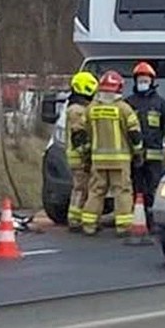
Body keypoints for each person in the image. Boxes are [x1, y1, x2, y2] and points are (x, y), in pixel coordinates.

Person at [80, 70, 144, 236]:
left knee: (95, 191)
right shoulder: (124, 109)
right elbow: (134, 134)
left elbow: (80, 133)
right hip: (120, 160)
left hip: (97, 160)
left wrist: (85, 154)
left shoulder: (91, 109)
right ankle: (123, 227)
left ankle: (89, 224)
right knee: (122, 191)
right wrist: (138, 153)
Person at [125, 61, 165, 232]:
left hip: (154, 156)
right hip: (134, 155)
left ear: (152, 81)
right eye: (140, 79)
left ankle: (154, 220)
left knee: (153, 188)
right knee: (135, 187)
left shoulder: (161, 104)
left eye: (145, 79)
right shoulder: (128, 103)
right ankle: (137, 219)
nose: (142, 82)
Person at [64, 71, 98, 231]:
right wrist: (86, 155)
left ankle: (76, 218)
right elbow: (79, 135)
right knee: (81, 188)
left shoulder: (77, 107)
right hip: (79, 157)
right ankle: (76, 220)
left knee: (82, 188)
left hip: (77, 156)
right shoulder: (77, 110)